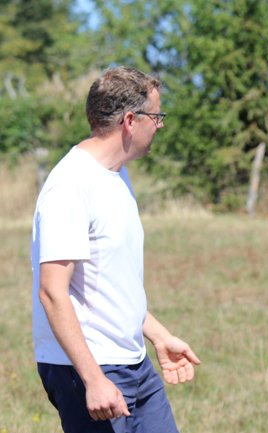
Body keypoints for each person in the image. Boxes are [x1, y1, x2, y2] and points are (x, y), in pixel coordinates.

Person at [31, 66, 201, 433]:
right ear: (130, 121)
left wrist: (159, 336)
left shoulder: (116, 175)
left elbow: (110, 284)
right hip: (88, 367)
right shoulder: (71, 186)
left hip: (132, 362)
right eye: (156, 116)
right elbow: (52, 292)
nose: (160, 125)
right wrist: (93, 379)